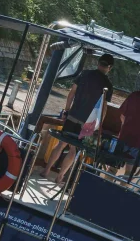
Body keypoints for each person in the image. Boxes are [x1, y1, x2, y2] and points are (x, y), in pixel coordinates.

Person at [41, 53, 114, 184]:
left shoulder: (84, 74)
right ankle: (60, 177)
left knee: (61, 144)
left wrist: (67, 110)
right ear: (110, 67)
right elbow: (103, 108)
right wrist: (98, 125)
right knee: (74, 149)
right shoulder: (107, 84)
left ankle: (46, 171)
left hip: (72, 116)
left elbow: (71, 93)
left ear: (98, 63)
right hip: (87, 122)